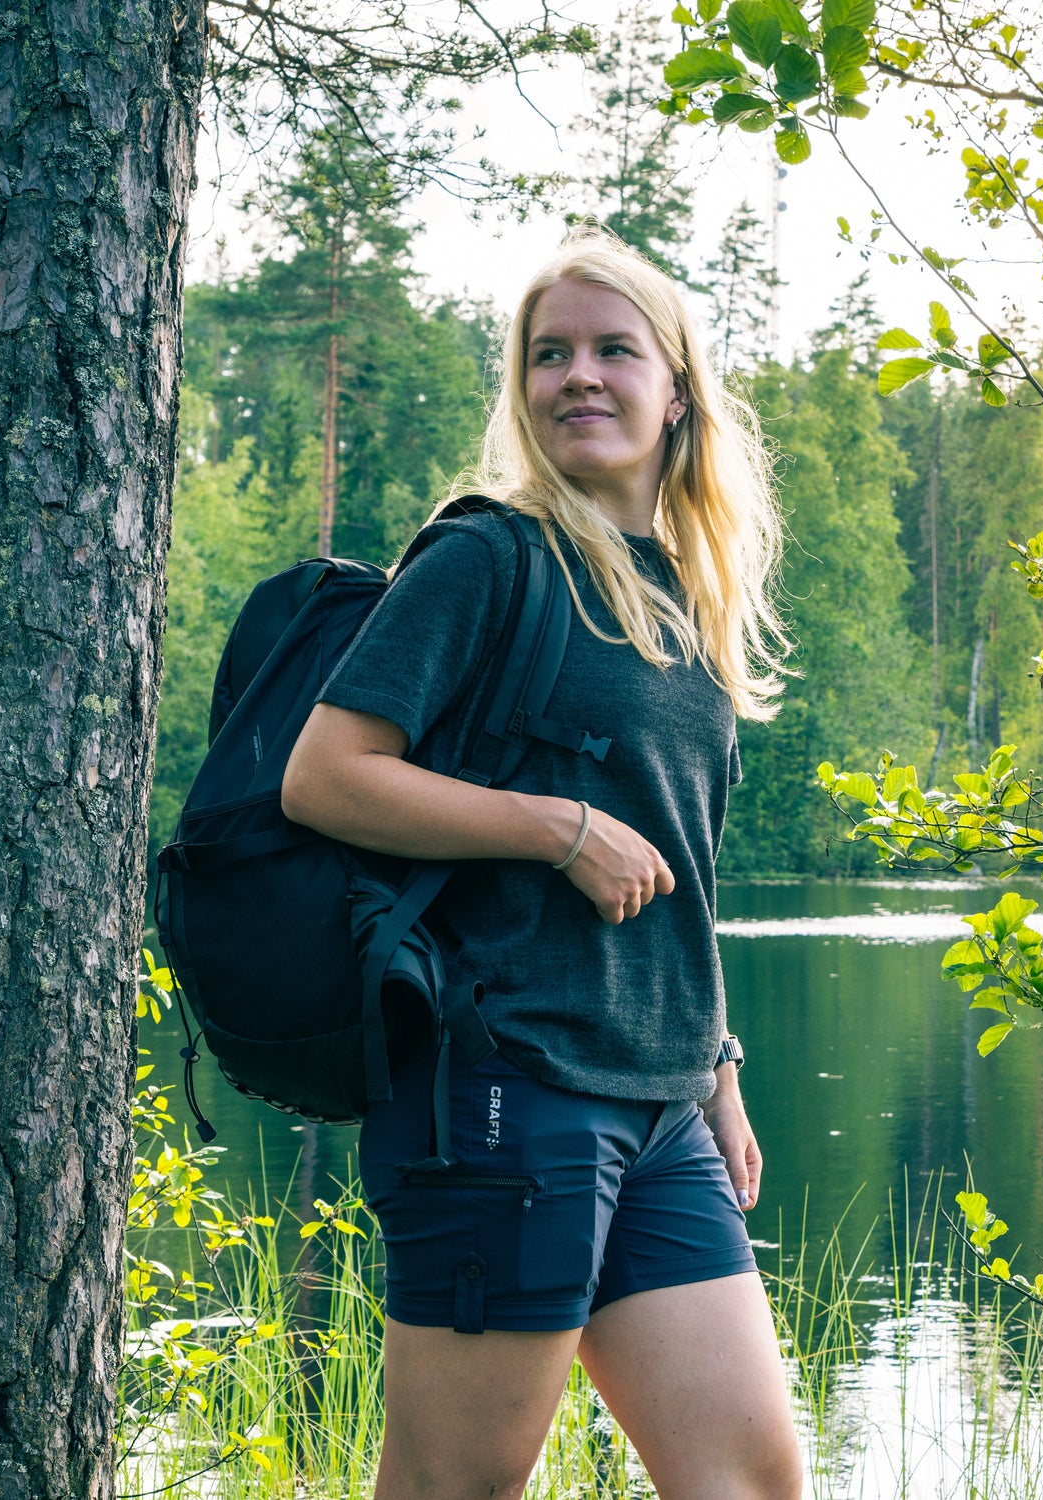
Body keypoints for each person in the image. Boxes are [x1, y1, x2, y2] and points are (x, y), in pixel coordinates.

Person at [280, 226, 801, 1500]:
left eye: (614, 351)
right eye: (549, 353)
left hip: (661, 1100)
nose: (579, 375)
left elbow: (681, 861)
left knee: (749, 1484)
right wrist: (554, 827)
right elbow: (326, 774)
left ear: (676, 389)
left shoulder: (680, 588)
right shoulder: (491, 556)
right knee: (456, 1491)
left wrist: (718, 1071)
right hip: (504, 1081)